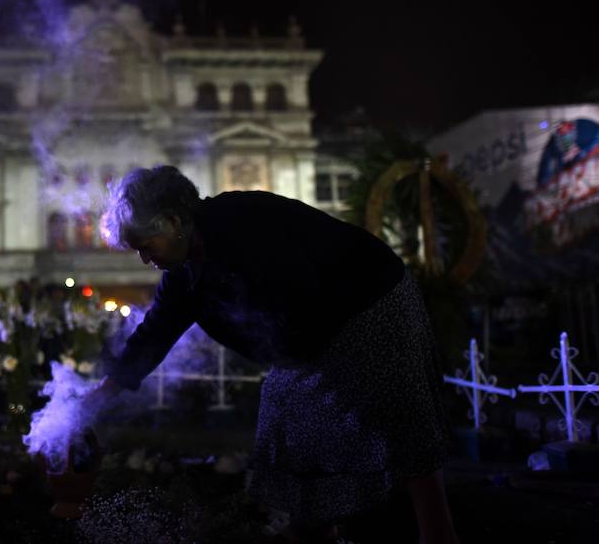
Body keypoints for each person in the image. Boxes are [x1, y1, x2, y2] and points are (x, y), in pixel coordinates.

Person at [88, 165, 458, 544]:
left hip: (369, 306)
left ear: (172, 221)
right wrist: (103, 391)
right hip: (308, 341)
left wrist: (307, 366)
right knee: (290, 425)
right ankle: (315, 527)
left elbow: (301, 294)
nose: (144, 260)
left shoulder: (244, 221)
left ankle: (435, 532)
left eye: (145, 247)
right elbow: (155, 332)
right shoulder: (184, 273)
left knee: (397, 425)